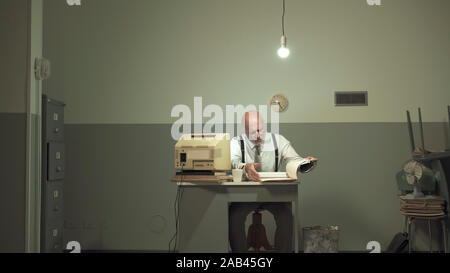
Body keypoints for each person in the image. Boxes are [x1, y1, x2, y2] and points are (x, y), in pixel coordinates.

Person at [228, 111, 318, 253]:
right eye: (253, 132)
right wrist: (245, 167)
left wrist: (306, 163)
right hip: (246, 195)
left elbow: (293, 159)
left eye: (260, 130)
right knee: (234, 215)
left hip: (273, 194)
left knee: (286, 217)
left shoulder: (278, 140)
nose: (258, 135)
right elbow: (234, 161)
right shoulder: (236, 142)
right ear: (244, 130)